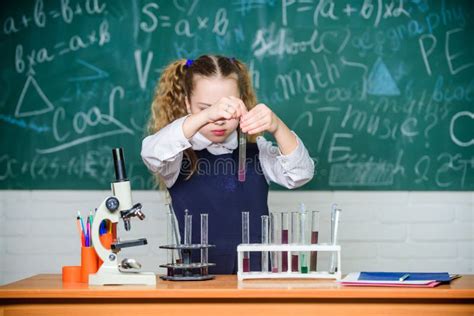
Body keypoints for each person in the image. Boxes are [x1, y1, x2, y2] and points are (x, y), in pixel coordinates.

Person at [141, 55, 314, 274]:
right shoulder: (175, 156)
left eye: (228, 107)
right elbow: (151, 154)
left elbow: (301, 173)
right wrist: (206, 115)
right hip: (195, 285)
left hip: (255, 284)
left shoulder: (257, 151)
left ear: (242, 100)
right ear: (187, 104)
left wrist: (278, 126)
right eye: (205, 108)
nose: (219, 119)